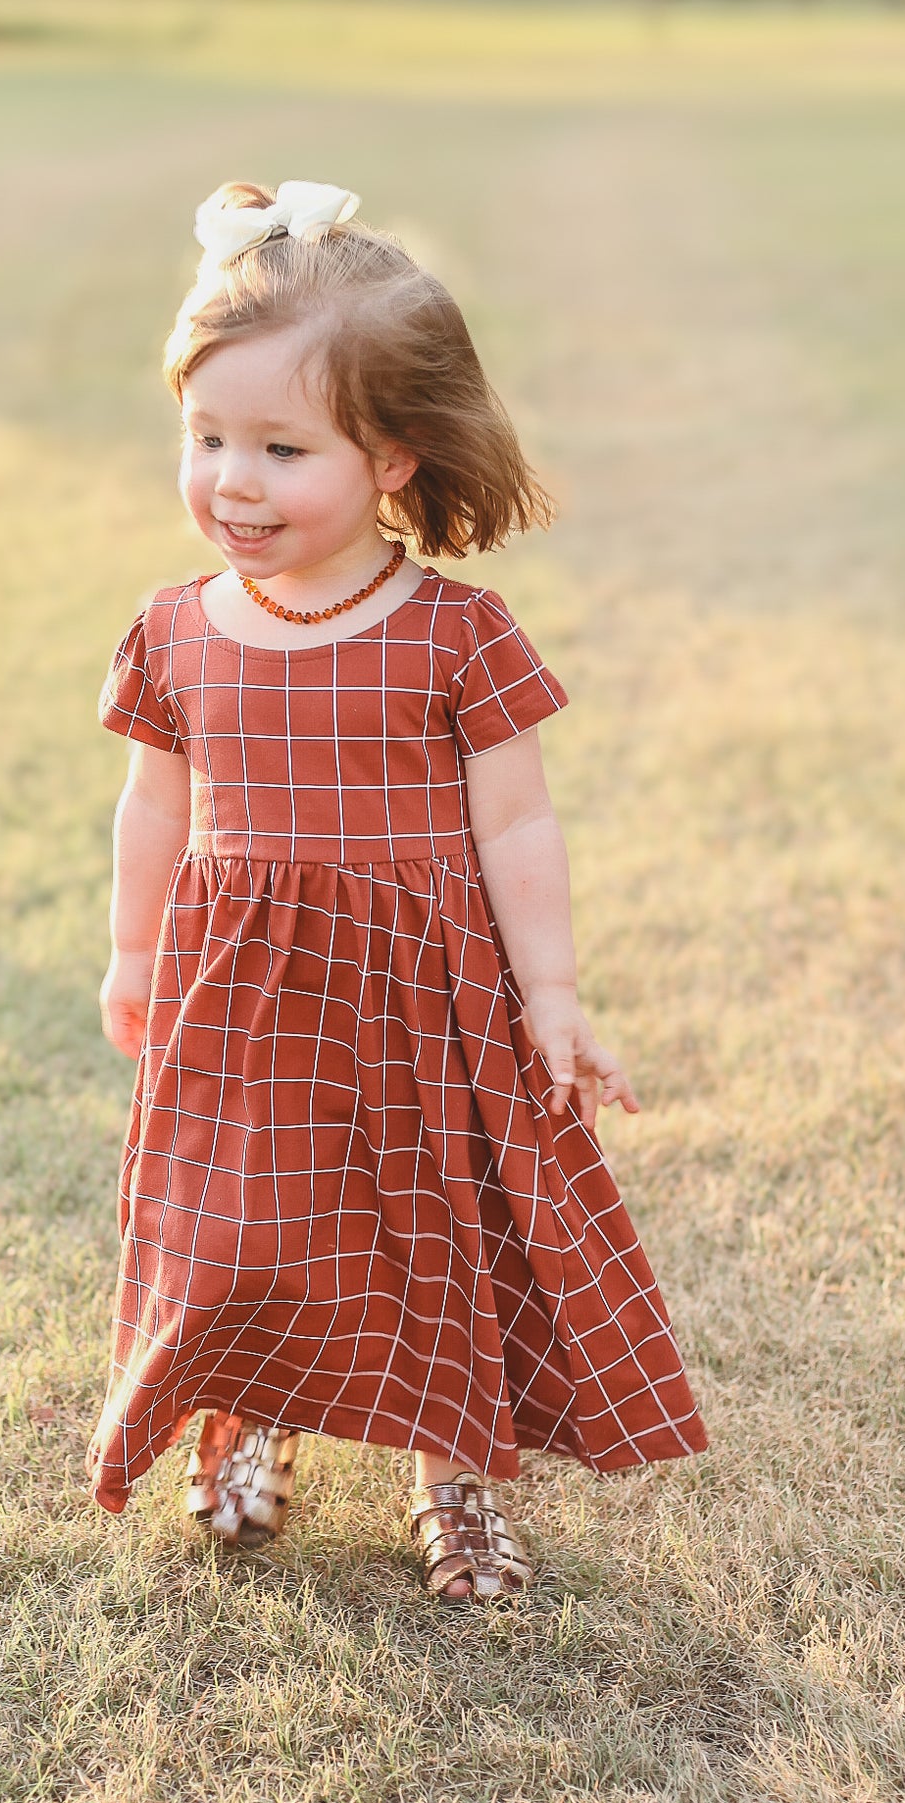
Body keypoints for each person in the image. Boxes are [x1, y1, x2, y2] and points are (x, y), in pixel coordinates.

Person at [87, 178, 707, 1604]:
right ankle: (240, 1410)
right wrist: (131, 956)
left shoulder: (452, 633)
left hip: (424, 999)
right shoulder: (174, 632)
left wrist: (552, 994)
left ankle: (455, 1478)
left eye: (279, 448)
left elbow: (519, 823)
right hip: (244, 999)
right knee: (243, 1219)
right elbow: (156, 806)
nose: (232, 482)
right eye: (205, 437)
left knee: (434, 1236)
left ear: (390, 458)